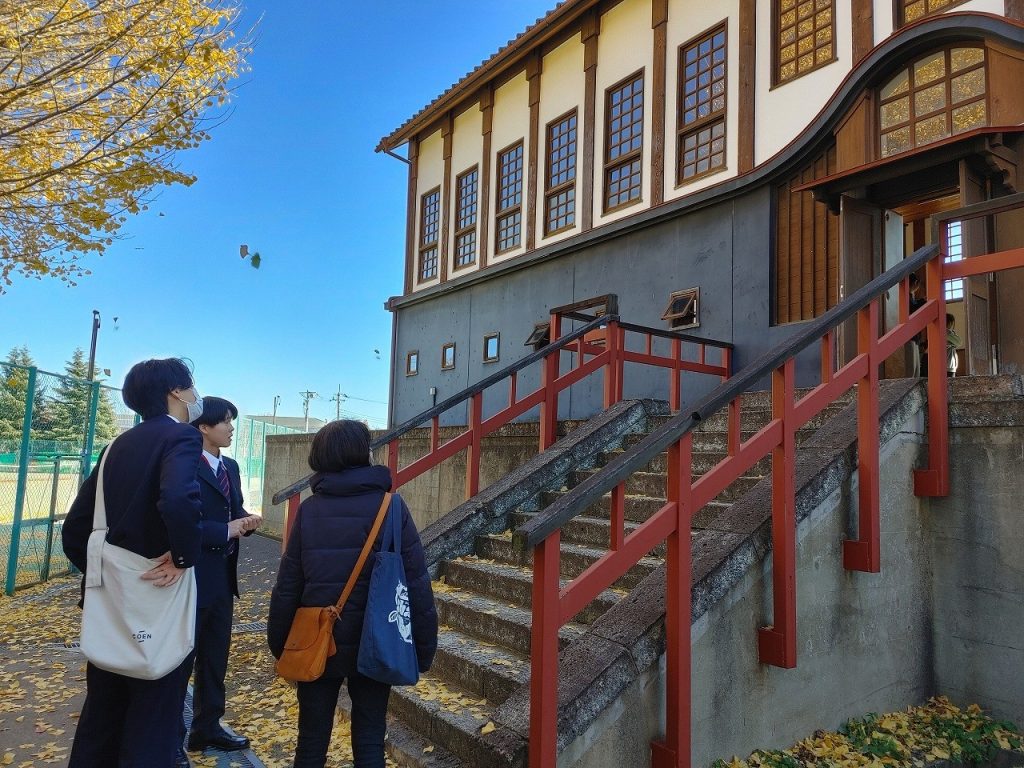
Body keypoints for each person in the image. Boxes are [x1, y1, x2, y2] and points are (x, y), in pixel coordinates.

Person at [267, 420, 438, 768]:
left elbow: (289, 584)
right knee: (371, 739)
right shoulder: (391, 507)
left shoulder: (310, 509)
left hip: (318, 637)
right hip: (377, 640)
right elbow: (416, 583)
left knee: (311, 741)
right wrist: (422, 648)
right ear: (363, 453)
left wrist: (281, 641)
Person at [62, 358, 204, 768]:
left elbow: (75, 528)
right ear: (175, 392)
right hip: (156, 600)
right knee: (154, 714)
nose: (195, 395)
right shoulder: (181, 436)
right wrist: (182, 557)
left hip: (108, 605)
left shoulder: (115, 446)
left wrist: (106, 570)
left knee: (102, 715)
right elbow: (178, 499)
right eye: (191, 386)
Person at [180, 397, 261, 761]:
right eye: (225, 421)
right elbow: (182, 521)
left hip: (223, 577)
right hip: (189, 575)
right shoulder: (184, 464)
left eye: (231, 421)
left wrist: (246, 522)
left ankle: (207, 727)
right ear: (203, 427)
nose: (231, 428)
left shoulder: (230, 466)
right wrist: (224, 529)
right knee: (182, 659)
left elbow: (234, 508)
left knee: (215, 657)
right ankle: (171, 737)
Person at [947, 312, 963, 377]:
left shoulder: (949, 332)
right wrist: (953, 345)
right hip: (948, 365)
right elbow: (959, 342)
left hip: (948, 365)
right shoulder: (947, 332)